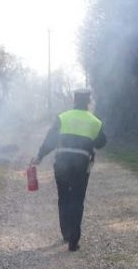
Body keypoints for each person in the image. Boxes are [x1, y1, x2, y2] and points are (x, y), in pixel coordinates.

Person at [31, 89, 106, 252]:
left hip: (62, 165)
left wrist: (39, 156)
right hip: (81, 166)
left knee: (64, 198)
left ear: (74, 100)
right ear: (88, 101)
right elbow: (101, 143)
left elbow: (50, 140)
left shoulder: (62, 118)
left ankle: (66, 232)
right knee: (77, 200)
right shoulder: (94, 122)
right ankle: (73, 240)